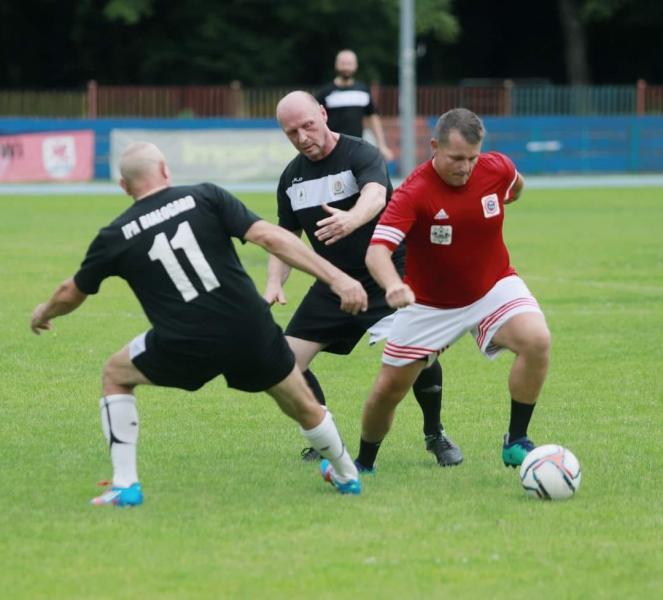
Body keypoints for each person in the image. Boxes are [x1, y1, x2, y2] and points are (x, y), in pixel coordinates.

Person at [30, 141, 370, 505]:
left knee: (116, 374)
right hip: (248, 327)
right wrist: (337, 278)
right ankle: (347, 473)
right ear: (165, 169)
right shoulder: (206, 196)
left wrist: (44, 313)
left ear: (124, 187)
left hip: (183, 339)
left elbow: (72, 291)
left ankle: (125, 485)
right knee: (302, 404)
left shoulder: (115, 235)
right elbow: (270, 237)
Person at [264, 91, 462, 468]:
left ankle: (434, 433)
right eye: (292, 132)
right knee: (284, 363)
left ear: (323, 114)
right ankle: (323, 432)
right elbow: (285, 239)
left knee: (417, 353)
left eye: (308, 125)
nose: (303, 136)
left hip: (386, 273)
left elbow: (375, 195)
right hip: (334, 283)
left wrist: (351, 219)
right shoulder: (291, 178)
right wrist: (275, 283)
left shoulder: (361, 153)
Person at [351, 107, 551, 476]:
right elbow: (377, 250)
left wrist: (500, 197)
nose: (465, 167)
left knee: (537, 339)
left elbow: (515, 186)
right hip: (430, 305)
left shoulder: (497, 168)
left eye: (472, 158)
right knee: (387, 392)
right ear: (434, 147)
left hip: (493, 286)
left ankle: (517, 441)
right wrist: (394, 285)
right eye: (456, 158)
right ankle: (363, 463)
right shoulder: (414, 192)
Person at [315, 49, 394, 162]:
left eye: (349, 64)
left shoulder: (363, 91)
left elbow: (373, 117)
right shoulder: (325, 92)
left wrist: (382, 145)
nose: (346, 67)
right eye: (343, 63)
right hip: (331, 149)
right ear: (336, 65)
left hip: (356, 148)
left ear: (355, 65)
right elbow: (317, 120)